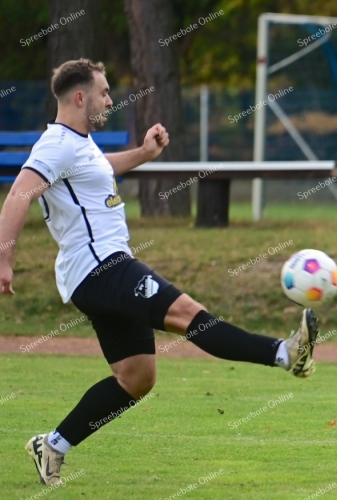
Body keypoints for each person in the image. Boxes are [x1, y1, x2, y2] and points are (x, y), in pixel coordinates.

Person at [0, 59, 318, 485]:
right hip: (102, 268)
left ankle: (53, 445)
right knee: (186, 312)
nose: (111, 100)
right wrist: (4, 258)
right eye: (104, 92)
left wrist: (146, 154)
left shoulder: (78, 143)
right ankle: (284, 353)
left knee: (136, 378)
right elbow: (19, 193)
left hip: (94, 273)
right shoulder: (56, 144)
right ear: (80, 97)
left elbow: (99, 167)